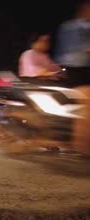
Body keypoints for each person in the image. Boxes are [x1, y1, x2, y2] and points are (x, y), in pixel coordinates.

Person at [55, 0, 90, 156]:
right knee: (87, 105)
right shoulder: (77, 27)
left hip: (76, 70)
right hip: (79, 70)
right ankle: (82, 145)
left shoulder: (72, 26)